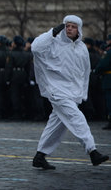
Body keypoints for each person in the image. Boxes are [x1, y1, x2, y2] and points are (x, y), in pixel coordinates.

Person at [31, 15, 109, 169]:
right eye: (67, 26)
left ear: (78, 29)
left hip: (72, 93)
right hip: (56, 90)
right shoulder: (53, 42)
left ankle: (39, 156)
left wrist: (82, 93)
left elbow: (84, 73)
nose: (69, 29)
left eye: (73, 26)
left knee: (57, 125)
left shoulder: (82, 49)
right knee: (76, 117)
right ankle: (92, 151)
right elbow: (35, 48)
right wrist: (52, 32)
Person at [94, 37, 111, 130]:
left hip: (109, 80)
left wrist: (96, 71)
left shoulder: (109, 52)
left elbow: (102, 65)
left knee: (109, 101)